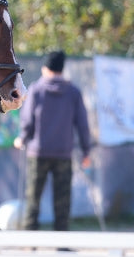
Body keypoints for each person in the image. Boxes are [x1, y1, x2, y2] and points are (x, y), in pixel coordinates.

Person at [13, 50, 91, 231]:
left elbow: (27, 120)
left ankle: (30, 238)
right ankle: (61, 239)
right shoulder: (73, 92)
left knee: (33, 197)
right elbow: (83, 124)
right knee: (62, 199)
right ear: (62, 69)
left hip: (37, 152)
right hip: (63, 152)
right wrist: (86, 152)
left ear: (45, 68)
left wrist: (22, 138)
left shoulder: (36, 90)